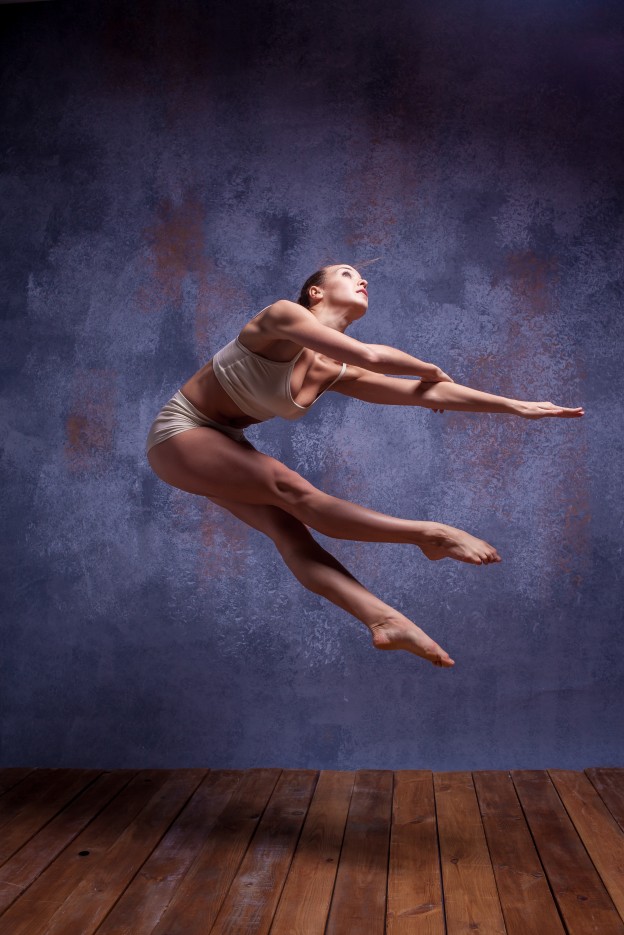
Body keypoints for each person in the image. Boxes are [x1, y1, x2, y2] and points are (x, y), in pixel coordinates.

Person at [146, 263, 585, 668]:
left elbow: (423, 394)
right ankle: (430, 534)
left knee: (288, 530)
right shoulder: (279, 316)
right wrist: (429, 367)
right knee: (292, 490)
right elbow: (374, 358)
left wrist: (517, 406)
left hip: (219, 444)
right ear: (315, 292)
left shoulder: (333, 369)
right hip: (181, 432)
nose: (363, 280)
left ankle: (381, 620)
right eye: (347, 272)